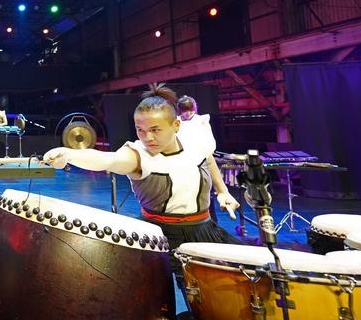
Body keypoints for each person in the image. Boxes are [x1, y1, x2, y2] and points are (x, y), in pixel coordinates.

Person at [43, 83, 241, 253]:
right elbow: (106, 160)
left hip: (204, 228)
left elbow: (207, 156)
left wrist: (223, 191)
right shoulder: (138, 155)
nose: (148, 138)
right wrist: (67, 154)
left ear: (176, 125)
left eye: (155, 130)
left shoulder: (195, 136)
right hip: (158, 235)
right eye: (140, 130)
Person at [176, 95, 230, 222]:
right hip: (182, 165)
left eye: (190, 110)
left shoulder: (201, 121)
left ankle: (211, 222)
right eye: (184, 111)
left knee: (205, 195)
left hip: (201, 163)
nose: (188, 113)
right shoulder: (176, 122)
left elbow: (210, 144)